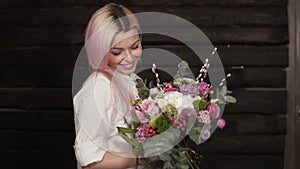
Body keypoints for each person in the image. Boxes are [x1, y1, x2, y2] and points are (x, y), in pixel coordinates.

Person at [72, 3, 145, 169]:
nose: (129, 57)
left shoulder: (133, 80)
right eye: (117, 52)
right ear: (100, 50)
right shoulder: (98, 90)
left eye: (135, 46)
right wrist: (145, 157)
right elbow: (91, 164)